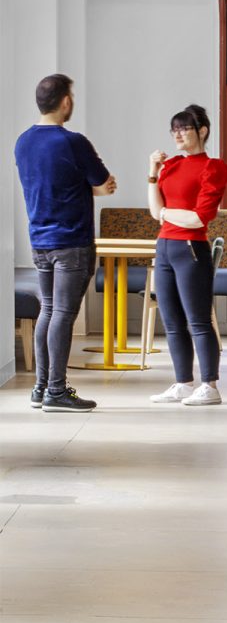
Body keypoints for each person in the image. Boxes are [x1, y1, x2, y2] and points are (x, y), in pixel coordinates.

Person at [14, 73, 117, 412]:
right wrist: (88, 186)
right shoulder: (73, 142)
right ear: (66, 101)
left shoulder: (23, 141)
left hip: (39, 241)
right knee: (62, 314)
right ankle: (57, 390)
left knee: (49, 311)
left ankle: (42, 388)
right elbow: (104, 186)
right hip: (72, 240)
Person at [147, 104, 227, 406]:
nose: (177, 134)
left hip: (191, 249)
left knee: (198, 320)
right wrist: (152, 174)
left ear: (202, 131)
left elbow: (200, 218)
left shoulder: (214, 166)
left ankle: (210, 385)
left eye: (184, 128)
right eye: (174, 129)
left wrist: (168, 213)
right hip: (165, 246)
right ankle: (183, 382)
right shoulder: (171, 165)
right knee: (171, 321)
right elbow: (155, 212)